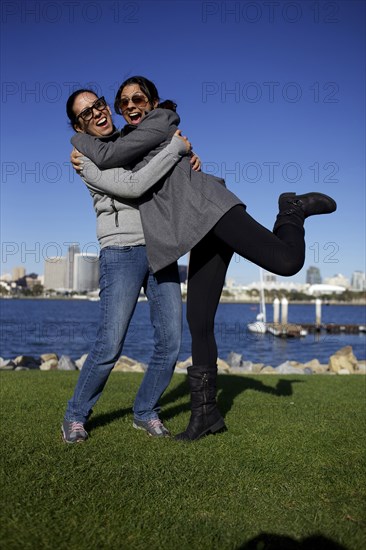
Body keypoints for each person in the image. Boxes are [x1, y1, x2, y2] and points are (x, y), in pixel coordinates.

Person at [71, 76, 337, 442]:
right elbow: (118, 160)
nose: (131, 106)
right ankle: (206, 416)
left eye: (138, 98)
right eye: (124, 103)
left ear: (153, 101)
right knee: (199, 320)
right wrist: (176, 152)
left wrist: (80, 141)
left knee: (287, 262)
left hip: (213, 210)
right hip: (194, 230)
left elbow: (114, 159)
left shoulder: (160, 121)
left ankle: (291, 210)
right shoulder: (126, 141)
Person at [62, 89, 195, 443]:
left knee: (171, 341)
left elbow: (166, 168)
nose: (98, 113)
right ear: (79, 125)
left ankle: (145, 411)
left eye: (99, 105)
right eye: (86, 113)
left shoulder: (133, 139)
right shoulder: (83, 157)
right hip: (121, 251)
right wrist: (175, 149)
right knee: (110, 344)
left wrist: (189, 156)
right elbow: (134, 186)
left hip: (160, 246)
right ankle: (75, 415)